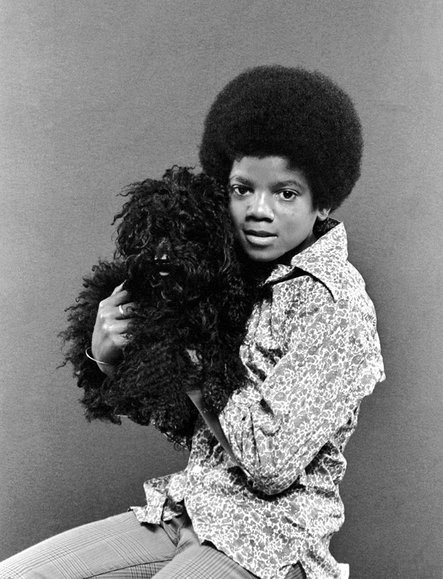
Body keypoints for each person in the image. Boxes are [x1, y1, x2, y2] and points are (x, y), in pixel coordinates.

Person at [0, 65, 385, 579]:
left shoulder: (336, 307)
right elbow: (194, 429)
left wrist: (190, 356)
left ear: (324, 201)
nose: (258, 210)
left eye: (286, 193)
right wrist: (111, 360)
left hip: (269, 545)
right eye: (242, 189)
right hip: (188, 511)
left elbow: (268, 466)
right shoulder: (227, 273)